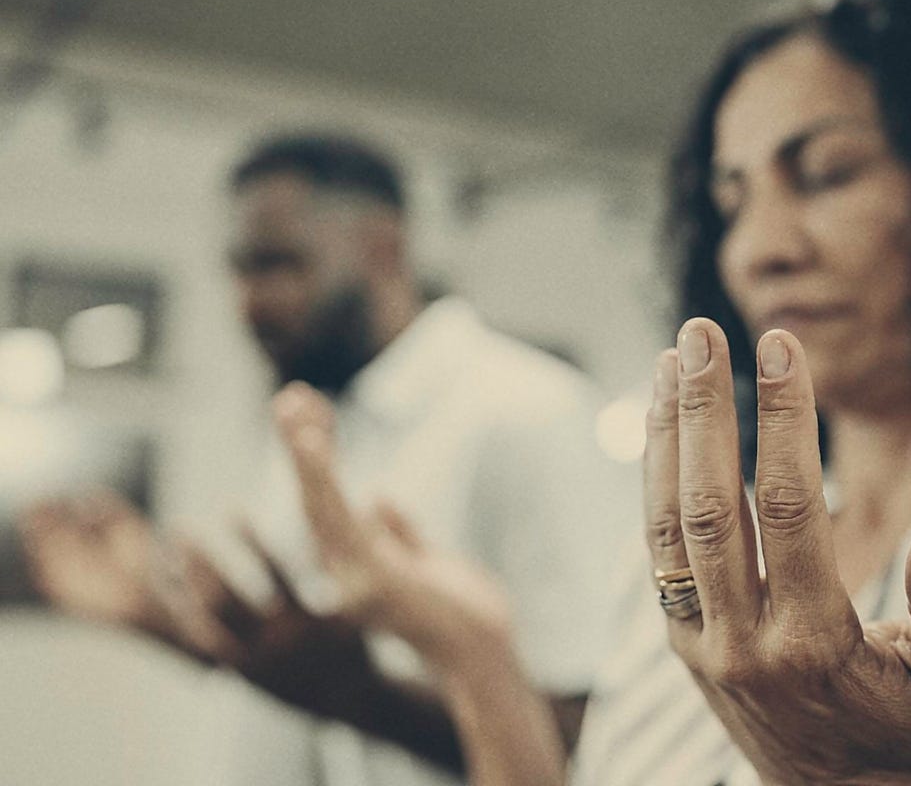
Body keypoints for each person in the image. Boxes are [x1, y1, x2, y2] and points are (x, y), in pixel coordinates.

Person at [264, 0, 911, 784]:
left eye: (826, 173)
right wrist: (474, 661)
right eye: (731, 202)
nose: (760, 250)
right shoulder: (714, 553)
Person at [22, 134, 639, 785]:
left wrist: (358, 694)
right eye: (239, 269)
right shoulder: (316, 424)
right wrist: (163, 622)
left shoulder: (526, 412)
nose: (248, 302)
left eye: (279, 265)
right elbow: (298, 676)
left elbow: (596, 737)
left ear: (383, 248)